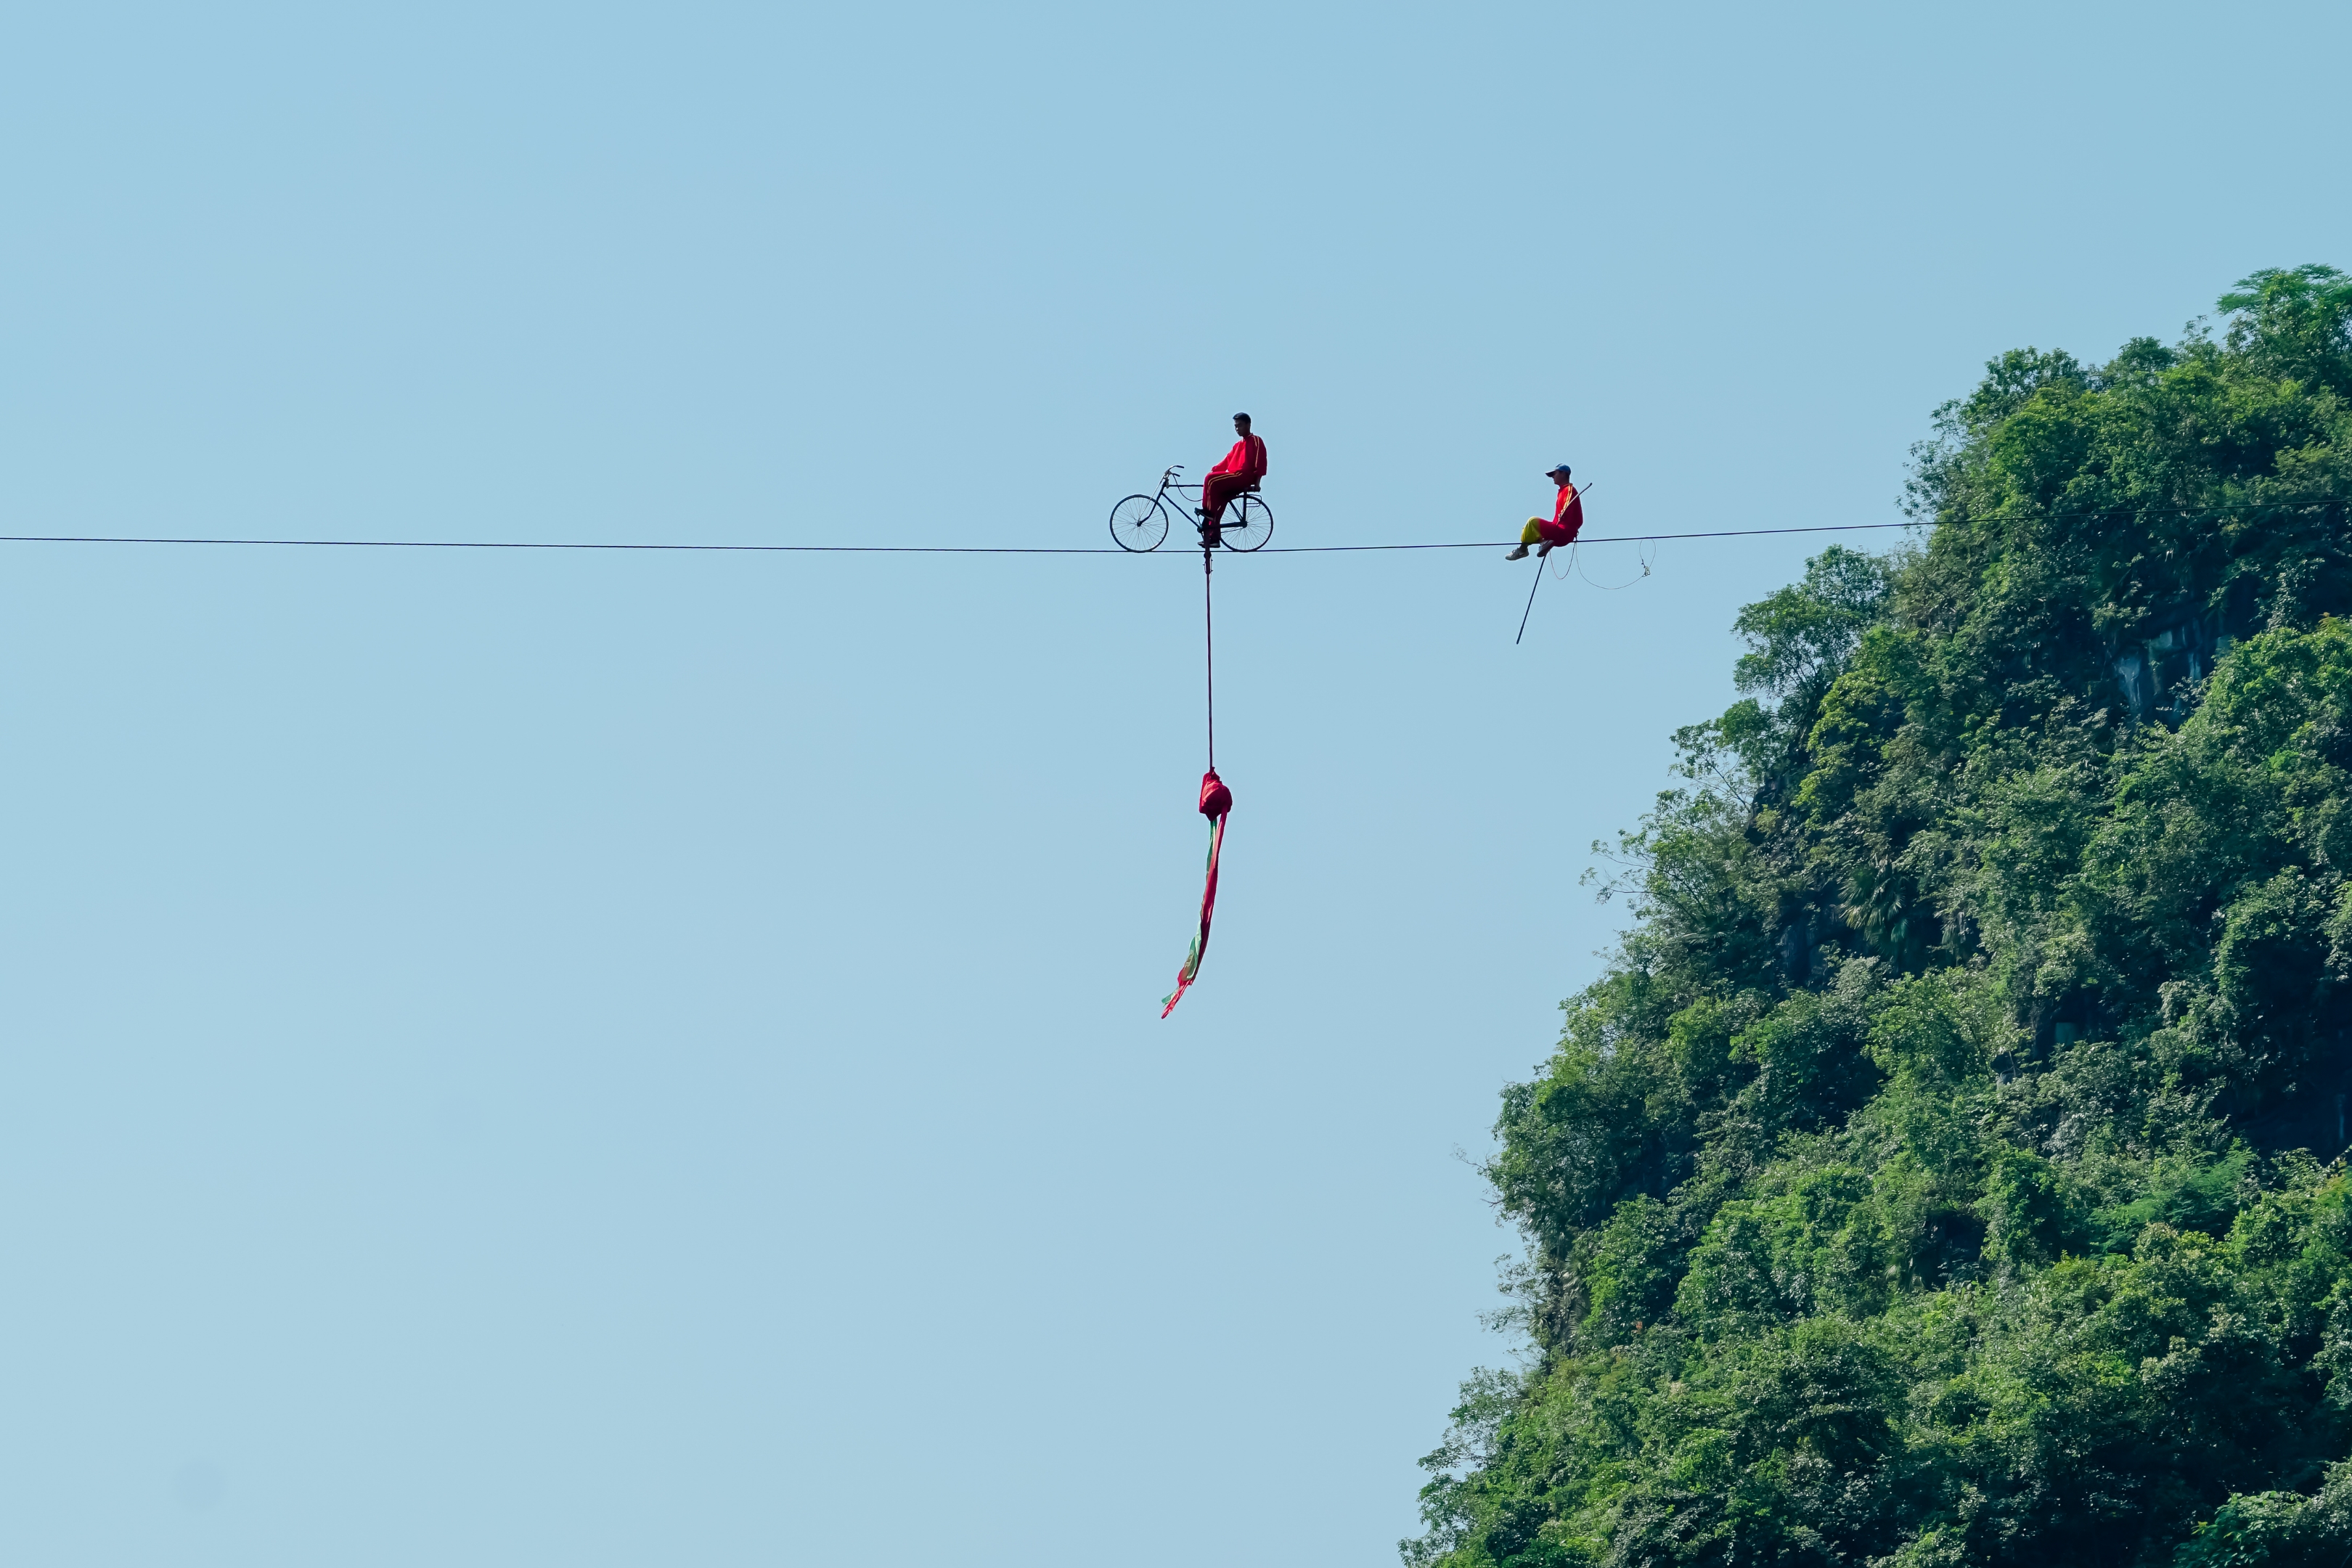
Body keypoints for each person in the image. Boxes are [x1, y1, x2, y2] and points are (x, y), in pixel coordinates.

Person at [1199, 413, 1268, 538]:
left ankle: (1208, 511)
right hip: (1233, 477)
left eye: (1240, 425)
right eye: (1236, 426)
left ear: (1248, 425)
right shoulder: (1237, 445)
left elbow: (1261, 461)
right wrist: (1215, 470)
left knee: (1209, 479)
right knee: (1217, 501)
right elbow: (1227, 461)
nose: (1237, 429)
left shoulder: (1256, 440)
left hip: (1243, 476)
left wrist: (1258, 482)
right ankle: (1213, 537)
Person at [1505, 463, 1583, 559]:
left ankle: (1522, 550)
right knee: (1527, 528)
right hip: (1558, 534)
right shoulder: (1561, 492)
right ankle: (1543, 543)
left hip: (1564, 533)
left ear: (1563, 474)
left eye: (1555, 474)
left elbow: (1569, 507)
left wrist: (1564, 513)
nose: (1553, 477)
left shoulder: (1569, 489)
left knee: (1533, 521)